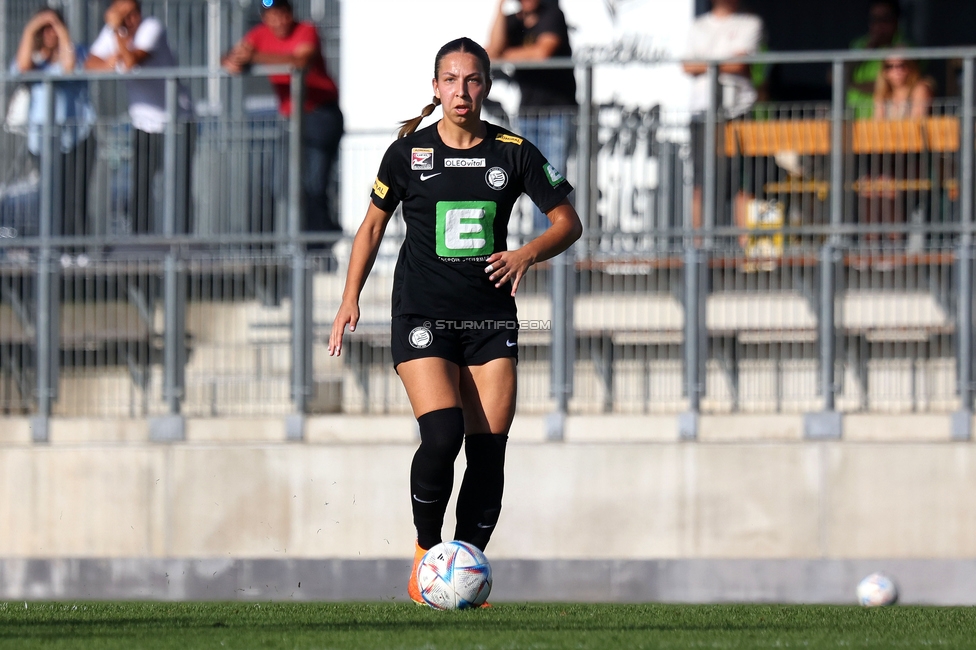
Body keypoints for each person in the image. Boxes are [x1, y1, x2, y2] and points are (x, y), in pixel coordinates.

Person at [327, 37, 581, 605]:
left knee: (488, 450)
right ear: (435, 87)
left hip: (489, 320)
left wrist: (526, 254)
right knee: (441, 436)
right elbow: (370, 228)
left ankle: (463, 571)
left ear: (486, 87)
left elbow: (568, 221)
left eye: (472, 80)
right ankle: (425, 555)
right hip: (421, 315)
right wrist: (350, 298)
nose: (461, 90)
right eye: (451, 79)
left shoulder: (513, 152)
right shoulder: (407, 155)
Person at [222, 0, 344, 256]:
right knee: (279, 182)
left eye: (281, 14)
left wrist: (254, 57)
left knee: (314, 184)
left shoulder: (306, 30)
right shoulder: (259, 35)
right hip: (291, 119)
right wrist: (234, 60)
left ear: (289, 14)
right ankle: (270, 248)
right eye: (271, 15)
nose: (277, 21)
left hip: (320, 115)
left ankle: (320, 243)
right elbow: (233, 57)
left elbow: (300, 61)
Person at [85, 0, 194, 236]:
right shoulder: (113, 33)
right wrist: (115, 52)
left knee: (179, 185)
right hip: (144, 124)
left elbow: (132, 62)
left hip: (177, 122)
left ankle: (182, 242)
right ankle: (141, 242)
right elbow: (90, 65)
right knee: (141, 184)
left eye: (132, 13)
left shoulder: (151, 28)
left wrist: (117, 42)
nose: (129, 19)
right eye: (122, 15)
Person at [487, 0, 576, 234]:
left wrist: (507, 55)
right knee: (532, 182)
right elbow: (492, 52)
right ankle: (541, 247)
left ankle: (556, 247)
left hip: (556, 113)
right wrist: (499, 7)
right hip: (529, 114)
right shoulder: (513, 20)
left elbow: (542, 52)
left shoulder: (552, 15)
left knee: (553, 183)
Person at [12, 7, 96, 247]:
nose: (50, 33)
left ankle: (77, 250)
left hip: (76, 137)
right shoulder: (34, 57)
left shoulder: (77, 51)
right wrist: (31, 27)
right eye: (45, 29)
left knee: (75, 197)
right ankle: (52, 249)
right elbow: (22, 68)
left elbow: (69, 66)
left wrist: (60, 30)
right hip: (43, 142)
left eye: (55, 27)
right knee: (50, 199)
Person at [682, 0, 764, 235]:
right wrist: (722, 63)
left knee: (744, 182)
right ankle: (700, 249)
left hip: (738, 112)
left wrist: (705, 63)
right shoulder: (698, 25)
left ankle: (746, 250)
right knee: (701, 182)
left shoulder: (750, 23)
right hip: (702, 115)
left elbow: (740, 63)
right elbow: (687, 66)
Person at [847, 0, 910, 119]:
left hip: (884, 119)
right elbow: (835, 75)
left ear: (896, 21)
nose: (879, 25)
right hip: (853, 117)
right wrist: (867, 50)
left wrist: (850, 85)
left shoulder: (905, 46)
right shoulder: (860, 44)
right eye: (874, 19)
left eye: (885, 19)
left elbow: (894, 84)